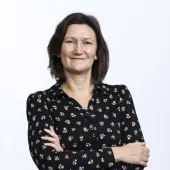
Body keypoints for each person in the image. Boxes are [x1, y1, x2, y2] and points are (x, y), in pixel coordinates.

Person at [26, 12, 150, 170]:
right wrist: (117, 152)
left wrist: (66, 156)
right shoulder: (40, 102)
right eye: (70, 41)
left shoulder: (119, 96)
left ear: (97, 52)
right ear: (58, 50)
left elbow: (138, 158)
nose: (78, 50)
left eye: (87, 43)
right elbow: (50, 163)